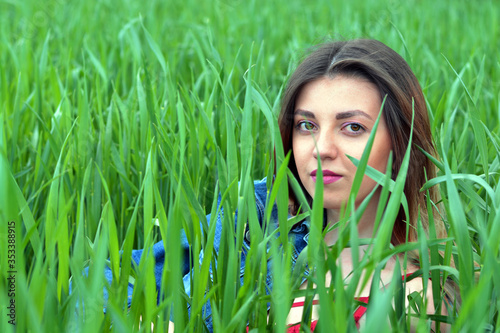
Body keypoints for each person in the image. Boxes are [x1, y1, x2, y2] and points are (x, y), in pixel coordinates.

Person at [78, 39, 457, 332]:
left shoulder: (414, 299)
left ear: (403, 142)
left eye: (353, 127)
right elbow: (103, 281)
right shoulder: (262, 217)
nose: (321, 149)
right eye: (306, 125)